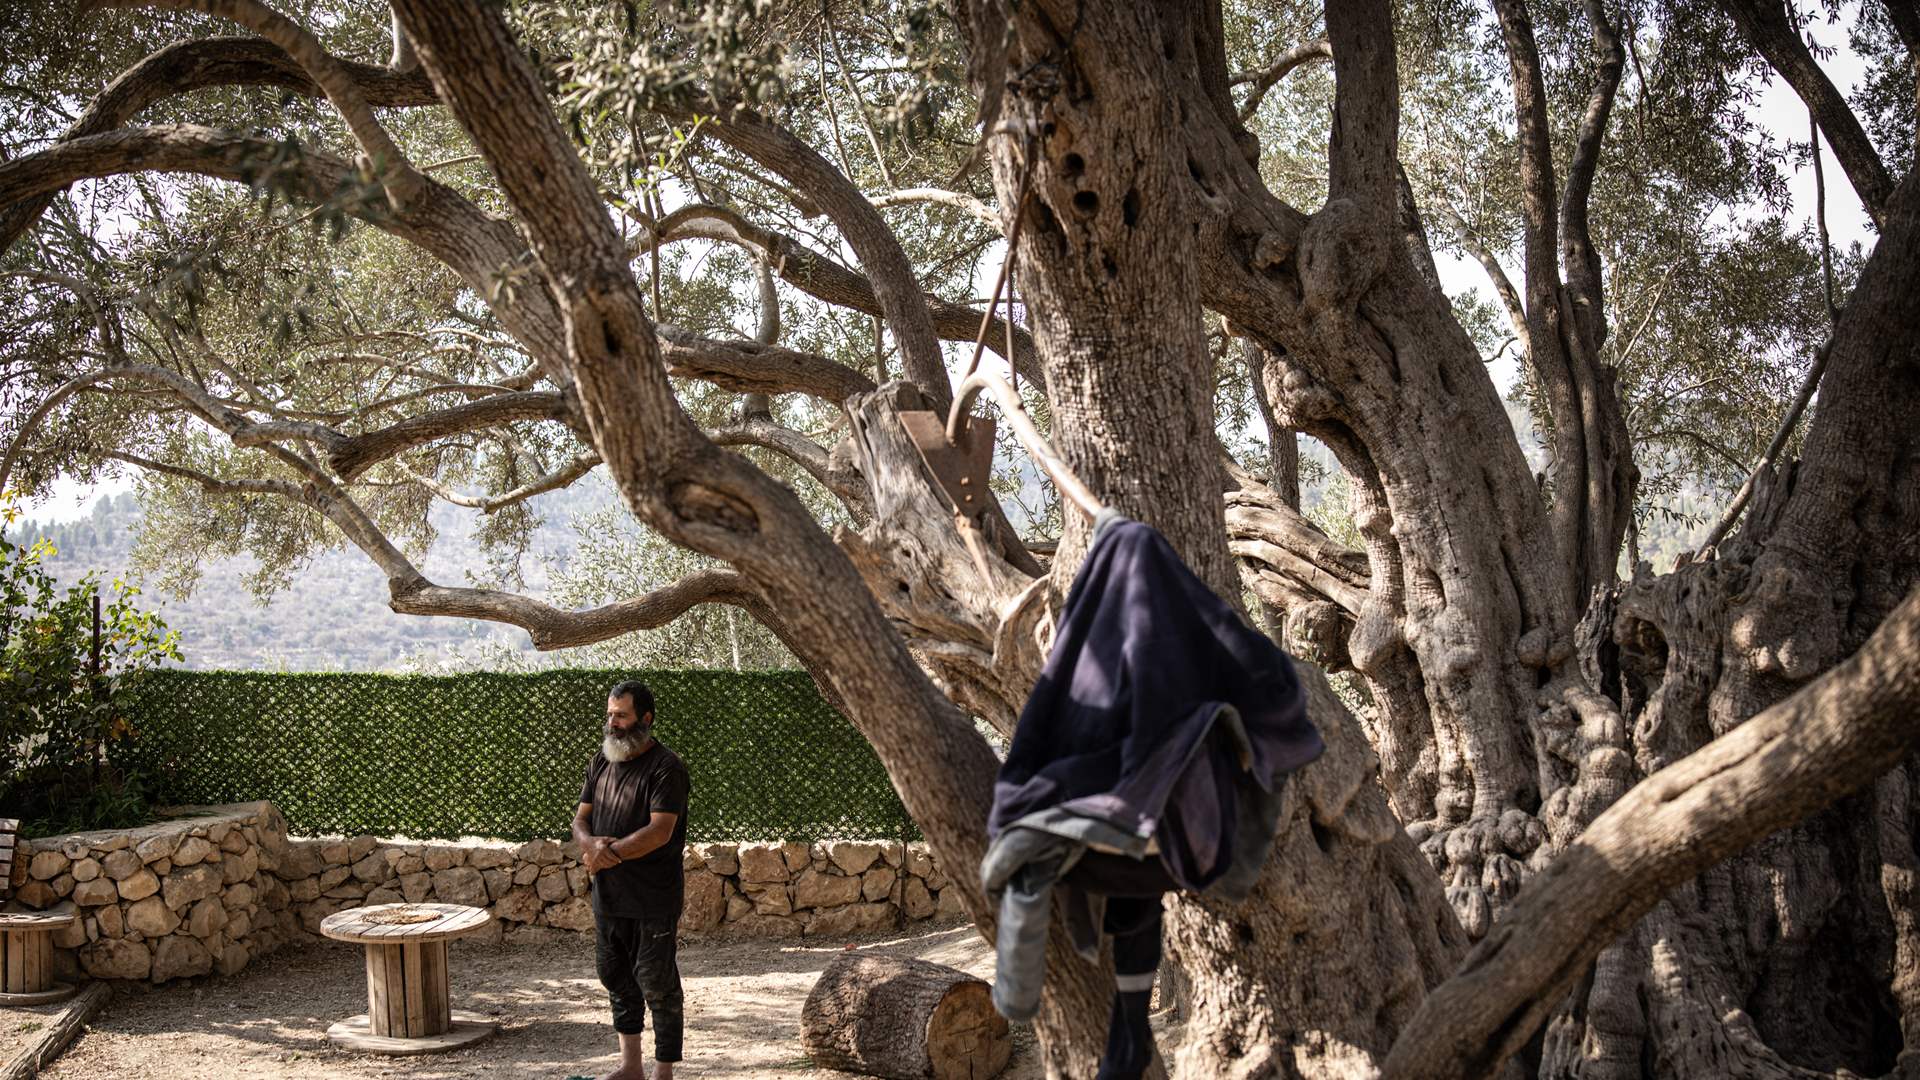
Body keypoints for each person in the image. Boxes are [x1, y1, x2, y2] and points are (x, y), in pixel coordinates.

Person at [574, 680, 690, 1080]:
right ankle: (631, 1067)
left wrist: (608, 854)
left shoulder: (667, 767)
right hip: (609, 895)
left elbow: (660, 831)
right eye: (610, 714)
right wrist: (590, 845)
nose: (613, 723)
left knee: (657, 983)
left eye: (621, 716)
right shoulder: (600, 762)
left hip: (653, 897)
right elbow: (580, 819)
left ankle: (663, 1072)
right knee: (616, 978)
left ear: (646, 718)